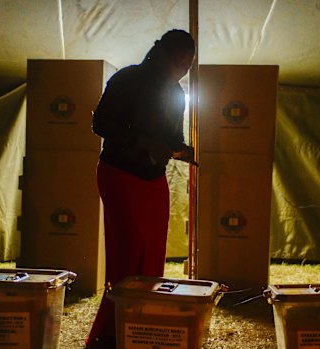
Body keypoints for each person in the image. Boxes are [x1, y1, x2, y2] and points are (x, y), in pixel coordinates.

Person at [86, 29, 196, 348]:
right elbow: (101, 123)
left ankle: (141, 325)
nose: (182, 70)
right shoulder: (128, 79)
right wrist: (142, 141)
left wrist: (181, 150)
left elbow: (173, 136)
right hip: (120, 172)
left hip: (153, 177)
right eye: (178, 62)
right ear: (161, 54)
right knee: (127, 255)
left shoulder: (176, 93)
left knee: (151, 256)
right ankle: (110, 332)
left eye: (188, 65)